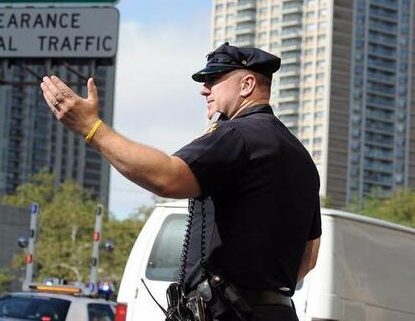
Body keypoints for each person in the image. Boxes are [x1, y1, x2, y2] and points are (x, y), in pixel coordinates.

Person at [39, 42, 321, 321]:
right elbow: (308, 258)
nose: (204, 89)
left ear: (247, 85)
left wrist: (92, 128)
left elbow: (168, 177)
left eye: (214, 80)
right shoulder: (302, 159)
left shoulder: (237, 136)